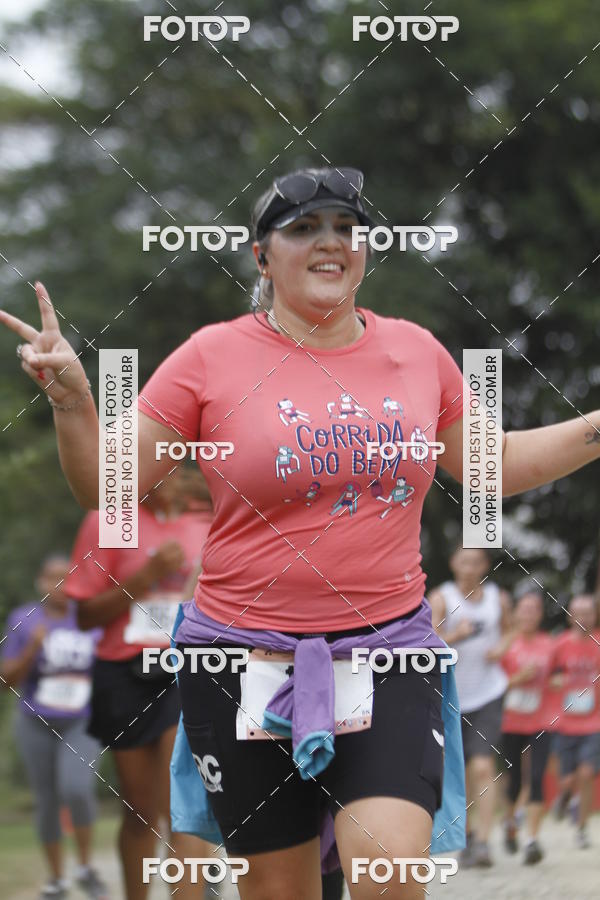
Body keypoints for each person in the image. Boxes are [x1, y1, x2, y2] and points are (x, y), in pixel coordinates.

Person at [4, 166, 600, 899]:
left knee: (387, 871)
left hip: (386, 652)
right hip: (238, 661)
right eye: (304, 228)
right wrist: (73, 405)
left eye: (348, 230)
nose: (331, 243)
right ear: (261, 255)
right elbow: (107, 489)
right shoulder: (210, 358)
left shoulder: (415, 352)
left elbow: (495, 464)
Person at [62, 469, 215, 900]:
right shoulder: (108, 521)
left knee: (182, 806)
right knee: (140, 812)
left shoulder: (208, 519)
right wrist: (146, 575)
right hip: (123, 673)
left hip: (184, 670)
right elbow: (85, 616)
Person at [0, 555, 108, 900]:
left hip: (82, 720)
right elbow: (6, 680)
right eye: (52, 578)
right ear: (40, 582)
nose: (59, 586)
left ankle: (86, 868)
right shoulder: (24, 619)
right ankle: (57, 879)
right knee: (46, 800)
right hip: (36, 722)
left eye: (67, 579)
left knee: (76, 789)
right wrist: (33, 646)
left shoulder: (91, 618)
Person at [428, 546, 513, 867]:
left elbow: (510, 629)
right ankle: (465, 835)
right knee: (459, 771)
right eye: (463, 561)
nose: (469, 568)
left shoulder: (497, 598)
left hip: (489, 692)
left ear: (484, 566)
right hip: (452, 696)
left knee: (482, 766)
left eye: (475, 562)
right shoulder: (441, 597)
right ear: (453, 563)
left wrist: (501, 647)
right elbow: (429, 640)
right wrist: (456, 636)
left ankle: (484, 841)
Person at [499, 590, 555, 864]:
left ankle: (532, 840)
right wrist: (519, 678)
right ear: (516, 613)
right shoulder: (506, 644)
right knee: (514, 779)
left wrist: (557, 681)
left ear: (540, 615)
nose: (528, 614)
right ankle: (510, 823)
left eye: (534, 609)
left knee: (537, 776)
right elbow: (493, 684)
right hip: (510, 720)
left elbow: (560, 674)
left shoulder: (549, 644)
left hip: (542, 719)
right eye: (524, 608)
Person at [550, 594, 600, 849]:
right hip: (565, 722)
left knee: (588, 773)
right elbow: (548, 676)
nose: (582, 618)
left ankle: (581, 829)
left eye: (587, 613)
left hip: (595, 722)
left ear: (595, 615)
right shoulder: (559, 645)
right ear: (570, 616)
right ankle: (566, 794)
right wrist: (554, 681)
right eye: (577, 613)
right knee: (568, 779)